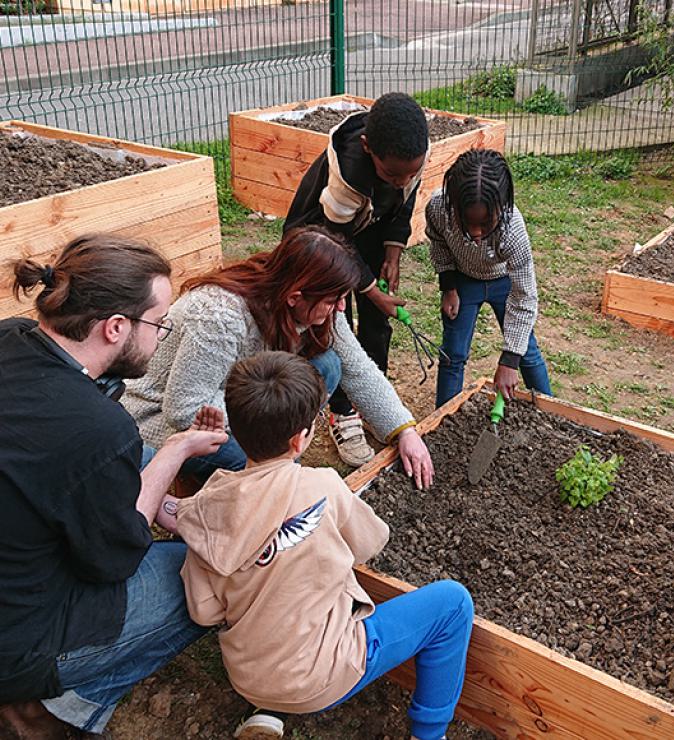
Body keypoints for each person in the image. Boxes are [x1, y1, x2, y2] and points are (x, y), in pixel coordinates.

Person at [178, 351, 474, 740]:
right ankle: (429, 734)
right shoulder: (321, 487)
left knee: (284, 605)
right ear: (301, 438)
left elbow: (204, 611)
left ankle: (268, 713)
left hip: (247, 675)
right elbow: (371, 542)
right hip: (322, 678)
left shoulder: (205, 508)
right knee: (453, 604)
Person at [0, 235, 228, 737]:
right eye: (159, 323)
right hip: (18, 641)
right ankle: (49, 713)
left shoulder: (10, 336)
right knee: (201, 576)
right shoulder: (97, 429)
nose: (162, 334)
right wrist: (177, 450)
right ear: (116, 327)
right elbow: (114, 560)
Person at [122, 226, 434, 486]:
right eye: (334, 301)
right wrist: (277, 415)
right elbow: (184, 409)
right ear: (295, 297)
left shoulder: (318, 301)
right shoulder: (219, 315)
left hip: (249, 401)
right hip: (168, 419)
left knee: (329, 365)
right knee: (264, 474)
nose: (340, 308)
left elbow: (358, 369)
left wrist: (404, 430)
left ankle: (280, 456)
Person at [283, 92, 429, 463]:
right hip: (322, 241)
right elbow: (337, 243)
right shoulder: (348, 175)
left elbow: (405, 200)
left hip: (367, 228)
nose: (402, 182)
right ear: (367, 148)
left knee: (378, 321)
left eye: (410, 173)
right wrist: (366, 290)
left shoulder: (408, 156)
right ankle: (343, 409)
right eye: (392, 174)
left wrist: (393, 251)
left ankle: (372, 396)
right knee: (336, 322)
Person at [427, 148, 552, 406]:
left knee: (526, 352)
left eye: (485, 224)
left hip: (503, 282)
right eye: (467, 222)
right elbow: (438, 241)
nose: (475, 233)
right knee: (453, 355)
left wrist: (509, 360)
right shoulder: (439, 208)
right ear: (454, 205)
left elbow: (524, 297)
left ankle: (550, 410)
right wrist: (448, 286)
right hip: (463, 282)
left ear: (501, 207)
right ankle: (443, 416)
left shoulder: (512, 230)